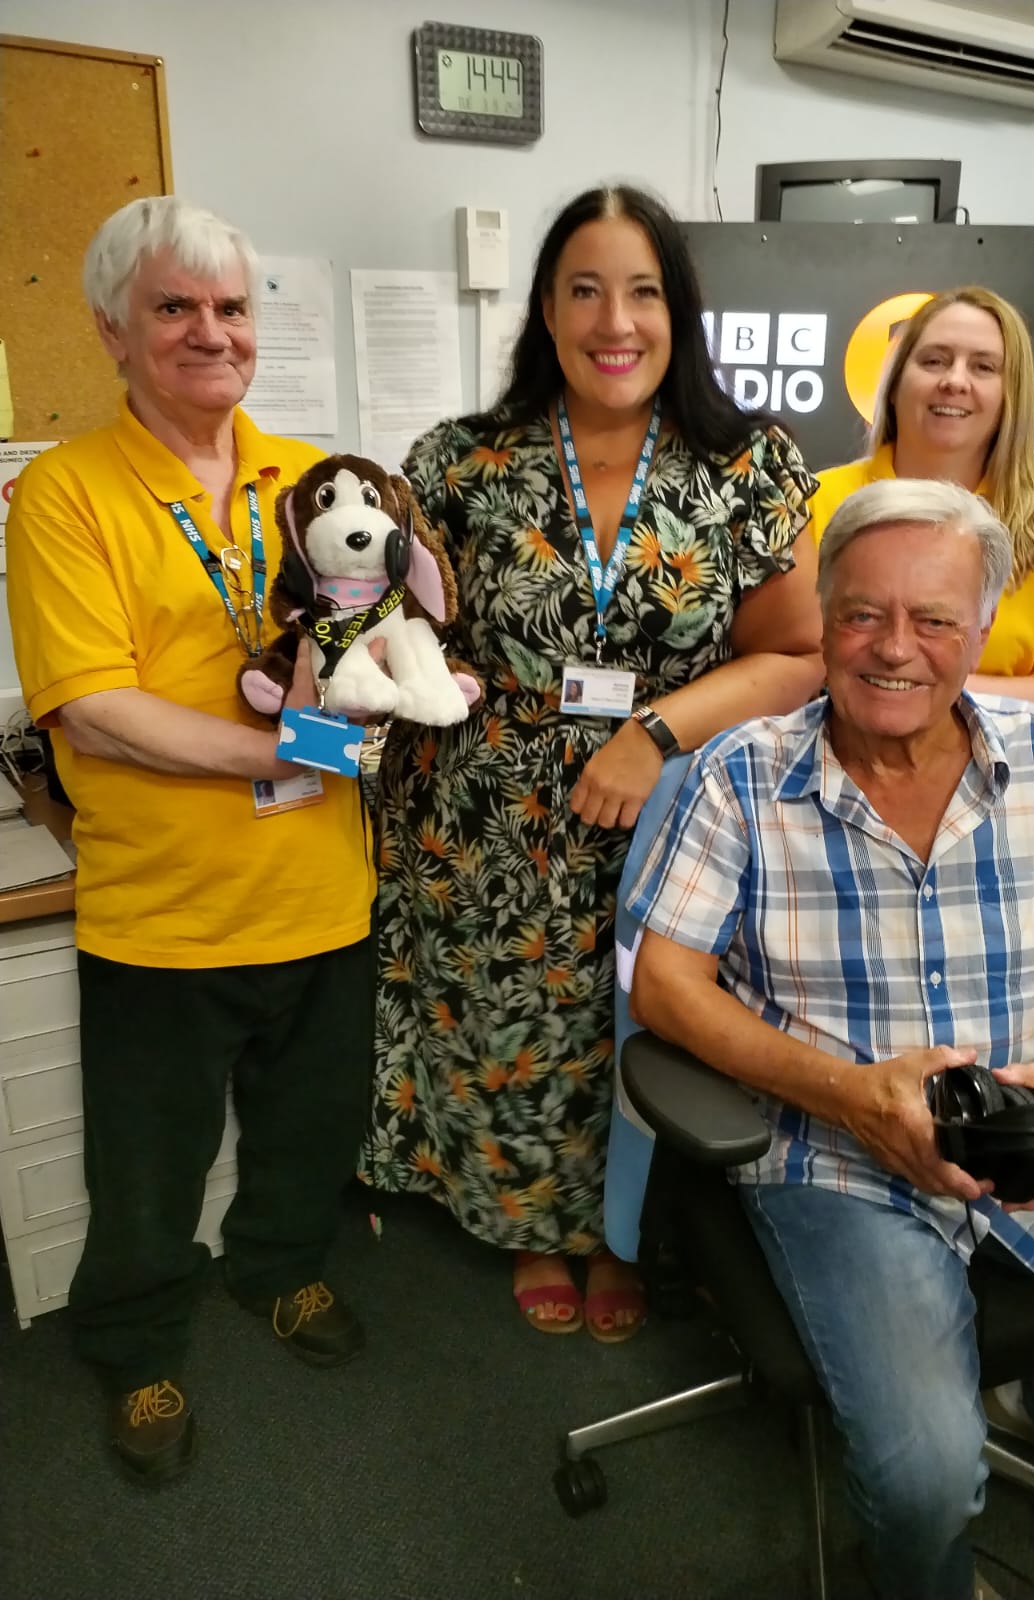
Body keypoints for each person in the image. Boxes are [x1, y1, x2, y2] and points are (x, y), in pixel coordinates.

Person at [629, 478, 1034, 1600]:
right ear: (823, 619)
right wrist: (847, 1094)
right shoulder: (741, 777)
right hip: (838, 1160)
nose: (895, 649)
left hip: (1032, 1136)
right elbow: (664, 985)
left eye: (934, 619)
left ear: (981, 630)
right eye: (863, 614)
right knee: (931, 1480)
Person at [361, 184, 825, 1339]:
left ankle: (628, 1231)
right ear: (546, 311)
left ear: (679, 311)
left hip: (667, 806)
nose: (614, 321)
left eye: (643, 291)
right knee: (511, 1027)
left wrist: (651, 730)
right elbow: (405, 632)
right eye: (584, 290)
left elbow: (800, 653)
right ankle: (535, 1226)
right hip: (487, 818)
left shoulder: (748, 464)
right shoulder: (461, 462)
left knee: (636, 1025)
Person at [5, 197, 375, 1482]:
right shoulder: (63, 492)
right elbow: (96, 716)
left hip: (324, 893)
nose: (209, 333)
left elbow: (367, 640)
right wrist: (296, 750)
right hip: (162, 915)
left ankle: (281, 1268)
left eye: (229, 307)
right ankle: (137, 1342)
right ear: (113, 330)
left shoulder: (308, 478)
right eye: (174, 307)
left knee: (311, 1126)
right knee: (149, 1167)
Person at [805, 287, 1034, 725]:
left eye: (983, 367)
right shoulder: (811, 504)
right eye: (934, 360)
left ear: (1011, 396)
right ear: (893, 384)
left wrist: (915, 686)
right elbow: (792, 666)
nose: (955, 380)